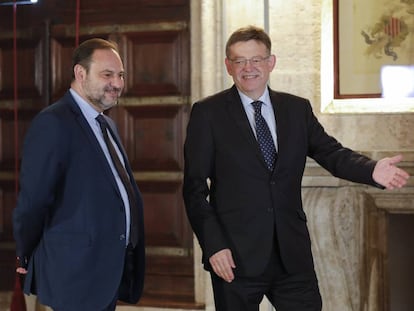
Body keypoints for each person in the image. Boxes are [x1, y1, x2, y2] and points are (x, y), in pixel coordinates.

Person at [182, 25, 410, 311]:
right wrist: (214, 245)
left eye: (256, 59)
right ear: (228, 66)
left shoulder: (296, 109)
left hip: (292, 255)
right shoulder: (208, 113)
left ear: (271, 62)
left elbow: (331, 152)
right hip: (235, 255)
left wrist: (371, 170)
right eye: (239, 60)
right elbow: (194, 190)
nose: (248, 68)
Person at [12, 38, 145, 311]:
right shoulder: (53, 122)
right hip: (74, 274)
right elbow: (33, 201)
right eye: (107, 74)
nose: (118, 83)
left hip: (107, 272)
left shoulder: (106, 123)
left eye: (120, 75)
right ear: (80, 73)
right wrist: (25, 254)